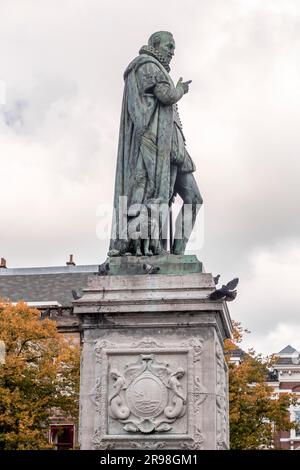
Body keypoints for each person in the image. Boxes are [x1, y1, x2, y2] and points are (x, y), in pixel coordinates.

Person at [109, 31, 202, 256]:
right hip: (158, 146)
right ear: (155, 45)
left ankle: (177, 254)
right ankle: (158, 249)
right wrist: (179, 90)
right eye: (169, 47)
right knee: (161, 197)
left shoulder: (156, 68)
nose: (172, 52)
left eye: (173, 48)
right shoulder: (146, 66)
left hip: (175, 146)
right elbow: (165, 96)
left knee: (194, 198)